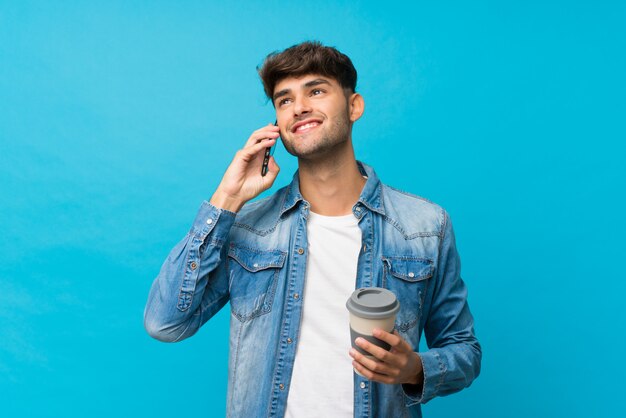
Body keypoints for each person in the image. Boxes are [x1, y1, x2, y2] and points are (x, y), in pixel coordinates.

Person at [144, 41, 481, 418]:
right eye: (284, 100)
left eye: (316, 91)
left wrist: (414, 369)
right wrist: (226, 198)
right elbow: (166, 323)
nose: (299, 106)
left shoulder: (425, 226)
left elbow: (463, 349)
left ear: (354, 106)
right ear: (277, 125)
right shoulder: (248, 228)